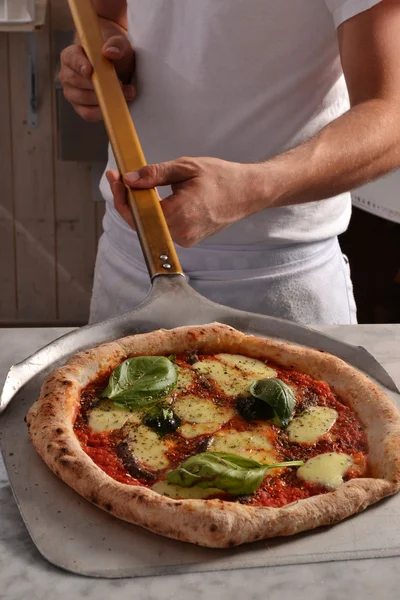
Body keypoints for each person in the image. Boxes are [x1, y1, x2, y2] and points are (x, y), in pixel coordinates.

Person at [59, 0, 400, 325]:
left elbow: (391, 114)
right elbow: (105, 16)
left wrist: (252, 188)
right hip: (130, 258)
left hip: (277, 276)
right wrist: (104, 61)